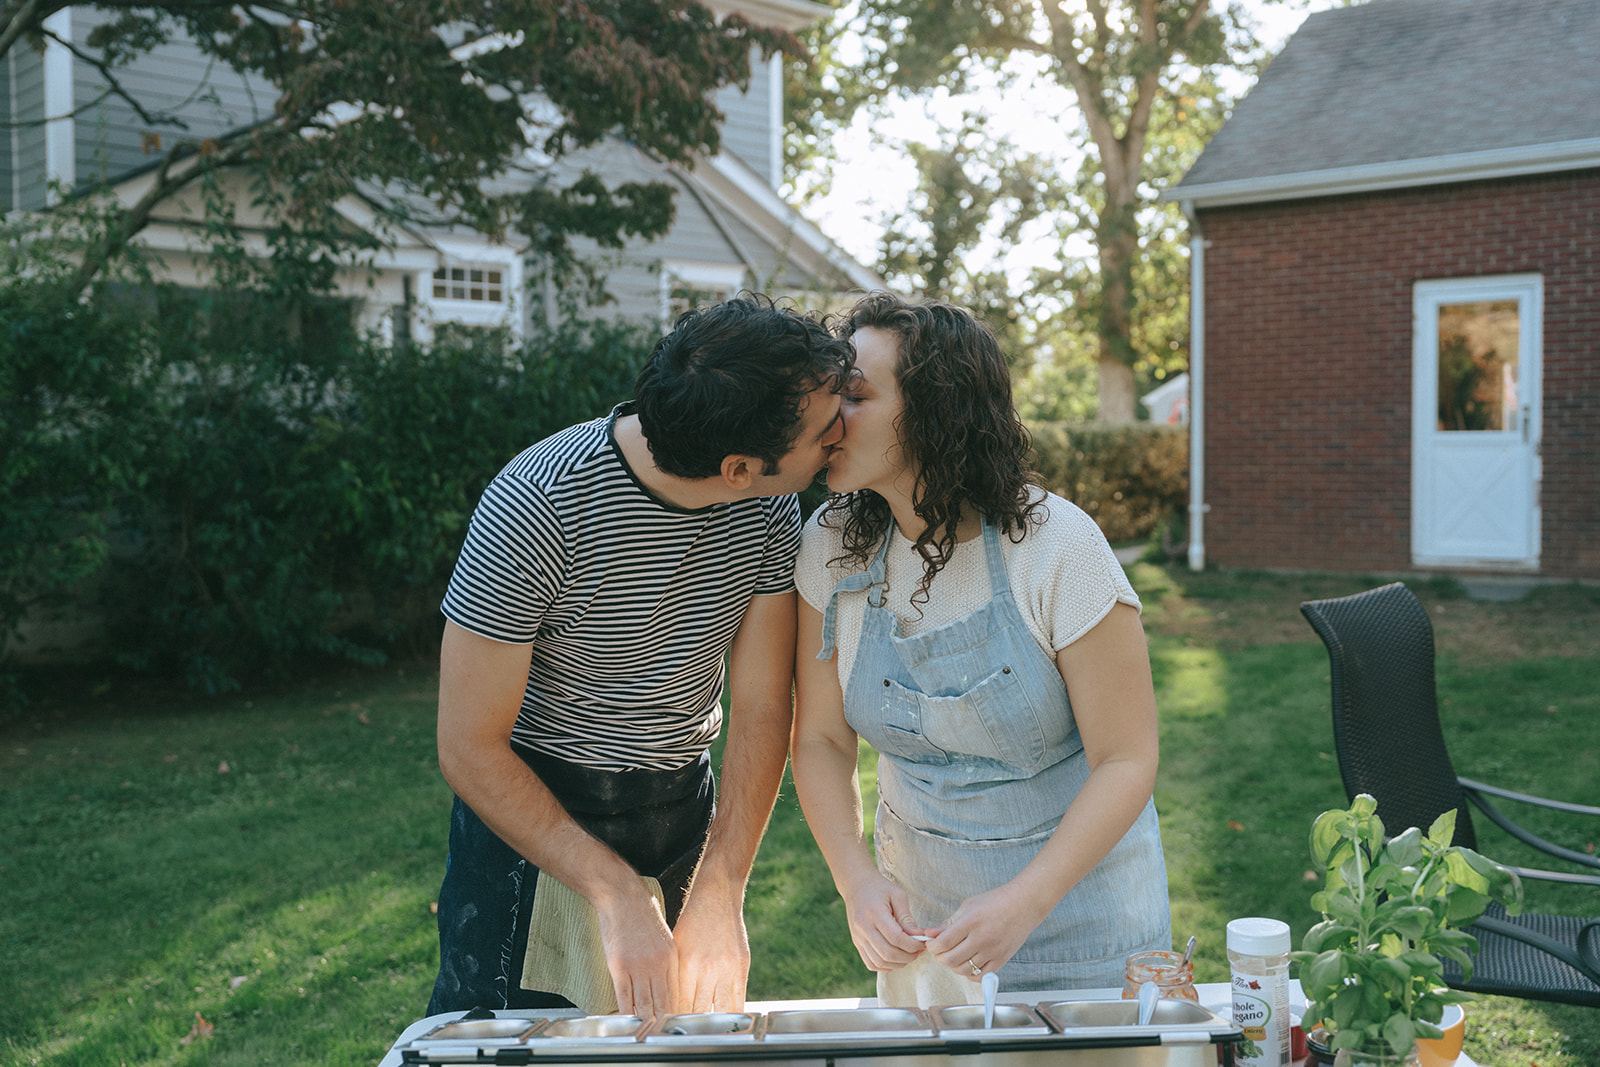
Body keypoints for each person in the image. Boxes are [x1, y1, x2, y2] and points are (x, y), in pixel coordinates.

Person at [428, 295, 854, 1020]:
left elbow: (759, 708)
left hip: (680, 805)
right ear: (739, 467)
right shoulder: (536, 505)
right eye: (826, 427)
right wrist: (616, 890)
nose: (845, 427)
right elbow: (468, 747)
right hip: (536, 821)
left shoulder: (772, 509)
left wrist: (722, 885)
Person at [790, 292, 1170, 1007]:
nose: (829, 415)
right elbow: (817, 737)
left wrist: (1026, 901)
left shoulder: (1059, 548)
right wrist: (857, 881)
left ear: (935, 412)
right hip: (926, 941)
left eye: (857, 395)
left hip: (1082, 927)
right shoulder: (832, 543)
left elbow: (1128, 758)